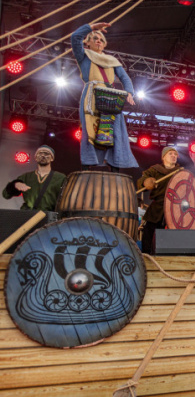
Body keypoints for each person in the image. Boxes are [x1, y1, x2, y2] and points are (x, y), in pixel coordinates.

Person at [71, 22, 138, 171]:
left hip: (111, 96)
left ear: (105, 44)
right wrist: (91, 27)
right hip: (92, 95)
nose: (98, 41)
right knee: (90, 129)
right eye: (94, 38)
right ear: (87, 42)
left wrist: (129, 92)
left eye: (101, 39)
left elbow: (125, 78)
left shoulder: (112, 61)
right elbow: (75, 37)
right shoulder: (83, 56)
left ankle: (115, 166)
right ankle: (87, 165)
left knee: (114, 131)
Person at [136, 147, 181, 254]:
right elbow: (142, 180)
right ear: (163, 157)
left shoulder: (180, 172)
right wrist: (146, 182)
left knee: (174, 235)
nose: (173, 156)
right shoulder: (155, 170)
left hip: (175, 207)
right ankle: (147, 255)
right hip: (158, 207)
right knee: (149, 232)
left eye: (175, 154)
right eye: (170, 153)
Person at [2, 145, 66, 212]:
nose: (43, 155)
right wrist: (15, 185)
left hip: (49, 215)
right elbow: (5, 195)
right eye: (40, 153)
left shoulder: (60, 178)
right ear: (35, 157)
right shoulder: (26, 177)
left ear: (52, 158)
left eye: (46, 153)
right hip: (28, 215)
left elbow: (66, 200)